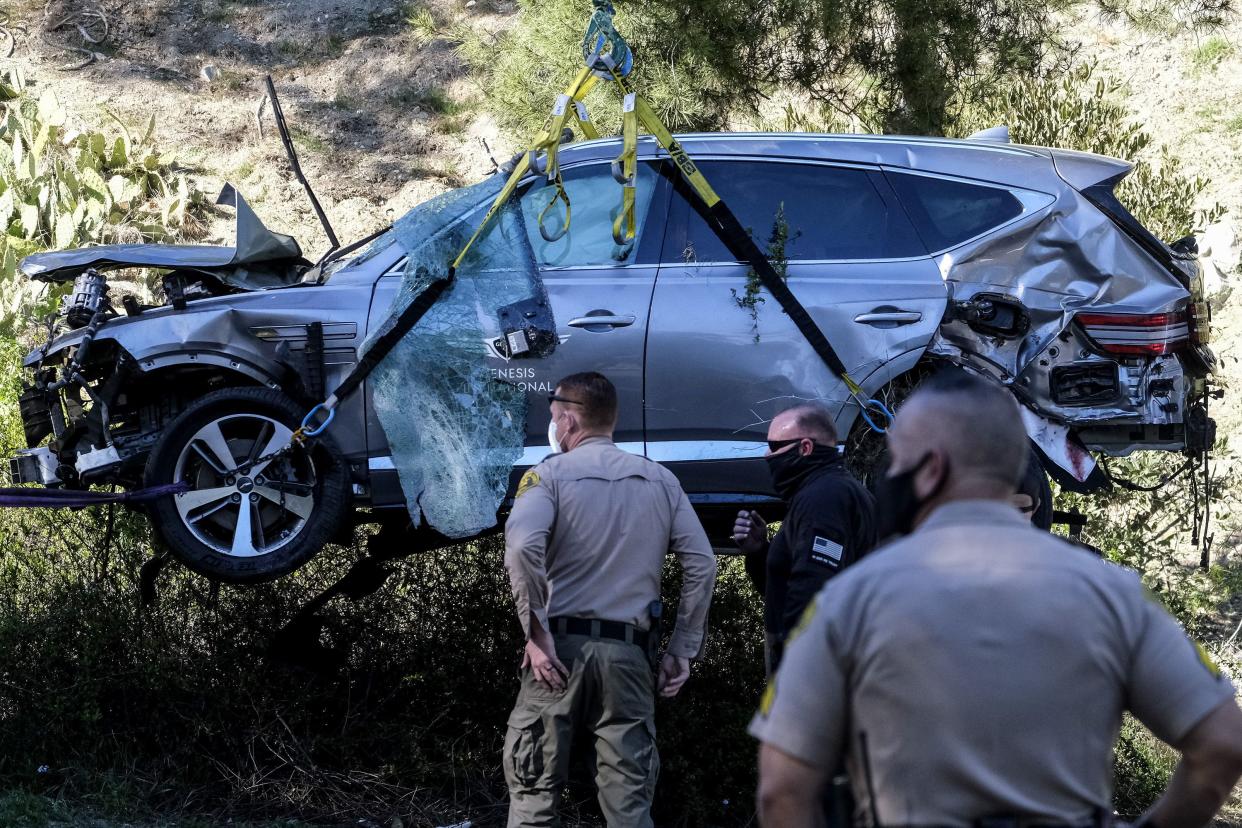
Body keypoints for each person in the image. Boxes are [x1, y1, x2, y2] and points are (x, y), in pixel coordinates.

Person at [750, 370, 1242, 827]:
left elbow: (781, 790)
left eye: (898, 463)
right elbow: (1224, 743)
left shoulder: (848, 603)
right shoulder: (1111, 595)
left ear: (929, 470)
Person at [502, 371, 718, 828]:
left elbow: (523, 548)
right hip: (629, 656)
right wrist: (682, 648)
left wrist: (536, 634)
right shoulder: (661, 480)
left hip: (557, 653)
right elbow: (702, 563)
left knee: (533, 797)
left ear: (567, 422)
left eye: (555, 418)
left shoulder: (547, 476)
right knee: (630, 808)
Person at [733, 404, 876, 674]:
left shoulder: (824, 498)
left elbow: (815, 582)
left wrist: (796, 668)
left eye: (775, 447)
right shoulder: (821, 493)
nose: (767, 454)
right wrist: (759, 551)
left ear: (806, 448)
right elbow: (788, 586)